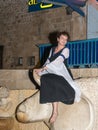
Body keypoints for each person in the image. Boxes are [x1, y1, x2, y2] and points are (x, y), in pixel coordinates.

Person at [34, 31, 81, 124]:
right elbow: (48, 61)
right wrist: (41, 69)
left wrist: (44, 68)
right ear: (58, 39)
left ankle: (55, 112)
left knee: (52, 80)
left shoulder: (66, 50)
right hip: (52, 71)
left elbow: (59, 61)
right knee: (45, 78)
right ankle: (51, 102)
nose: (64, 41)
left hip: (62, 73)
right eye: (62, 38)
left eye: (66, 40)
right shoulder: (52, 49)